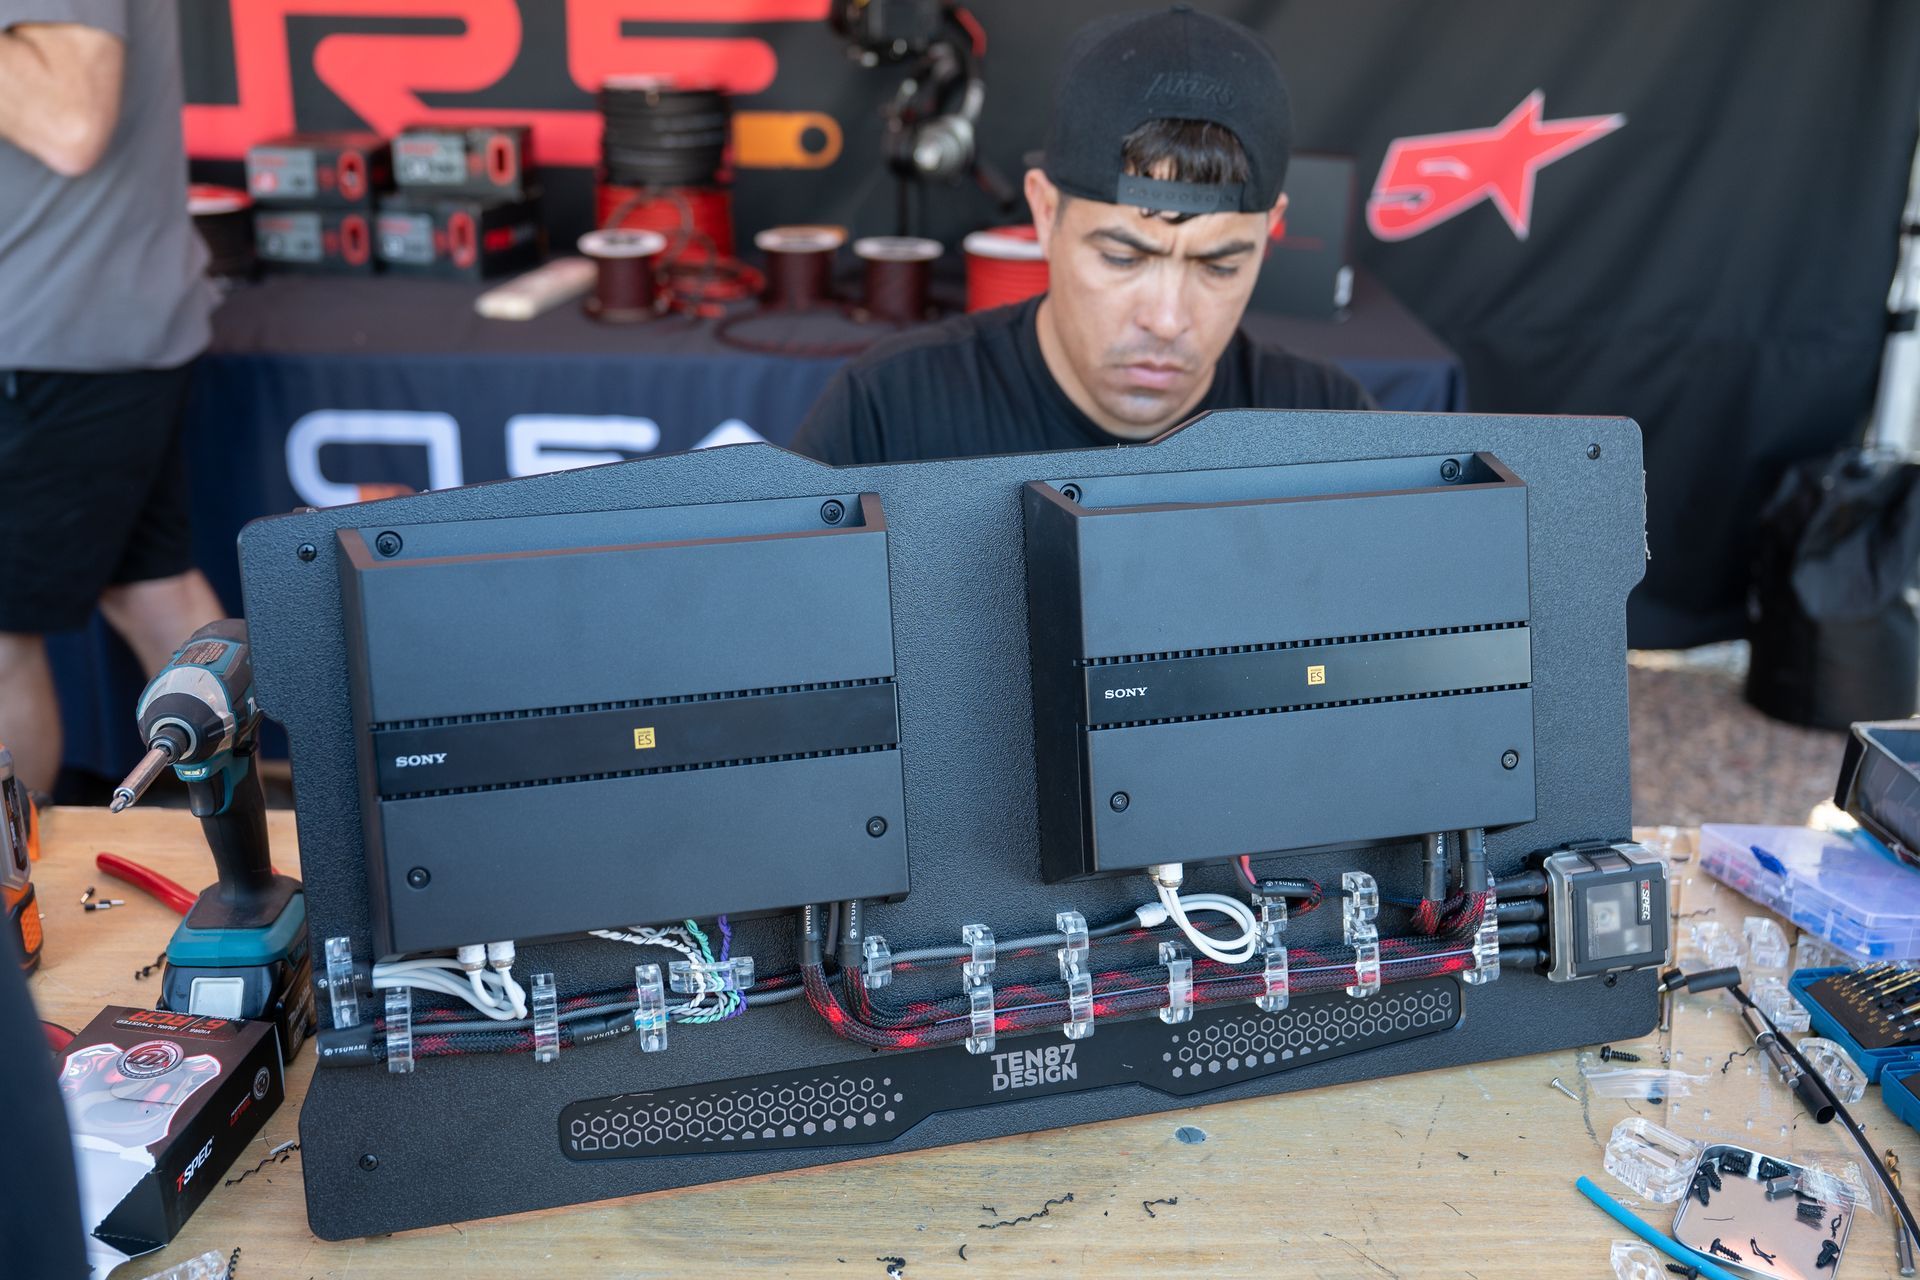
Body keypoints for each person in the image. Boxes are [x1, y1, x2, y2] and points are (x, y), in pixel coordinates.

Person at [792, 5, 1372, 466]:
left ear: (1271, 234)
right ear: (1045, 215)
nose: (1167, 320)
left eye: (1218, 267)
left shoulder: (1329, 430)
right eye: (1123, 257)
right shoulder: (887, 418)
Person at [0, 0, 222, 797]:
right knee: (151, 588)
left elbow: (69, 121)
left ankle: (12, 896)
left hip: (47, 340)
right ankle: (289, 847)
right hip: (79, 326)